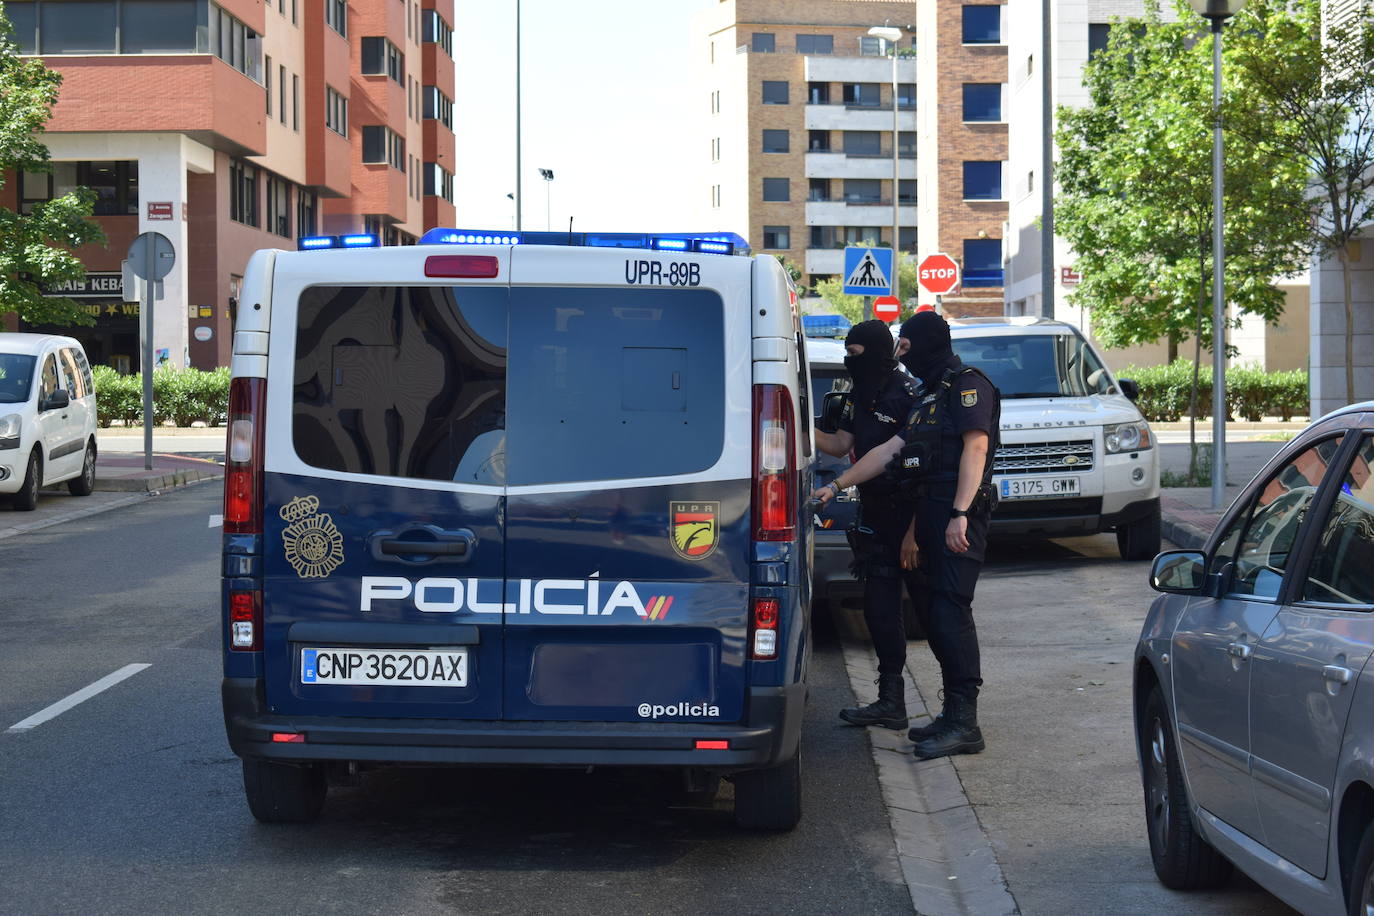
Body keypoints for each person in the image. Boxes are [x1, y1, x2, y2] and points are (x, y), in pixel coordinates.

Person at [812, 311, 999, 760]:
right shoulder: (931, 396)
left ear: (925, 344)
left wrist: (960, 512)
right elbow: (886, 451)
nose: (902, 356)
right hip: (933, 514)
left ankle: (964, 723)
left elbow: (977, 446)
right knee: (936, 615)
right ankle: (951, 716)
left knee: (950, 613)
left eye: (907, 347)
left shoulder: (969, 385)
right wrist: (837, 485)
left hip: (953, 516)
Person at [814, 319, 920, 731]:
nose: (848, 360)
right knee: (879, 611)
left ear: (876, 351)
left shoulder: (909, 394)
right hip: (874, 515)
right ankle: (890, 701)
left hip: (910, 513)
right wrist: (794, 426)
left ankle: (953, 709)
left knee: (928, 613)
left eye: (855, 353)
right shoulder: (860, 392)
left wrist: (914, 532)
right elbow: (842, 445)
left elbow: (915, 466)